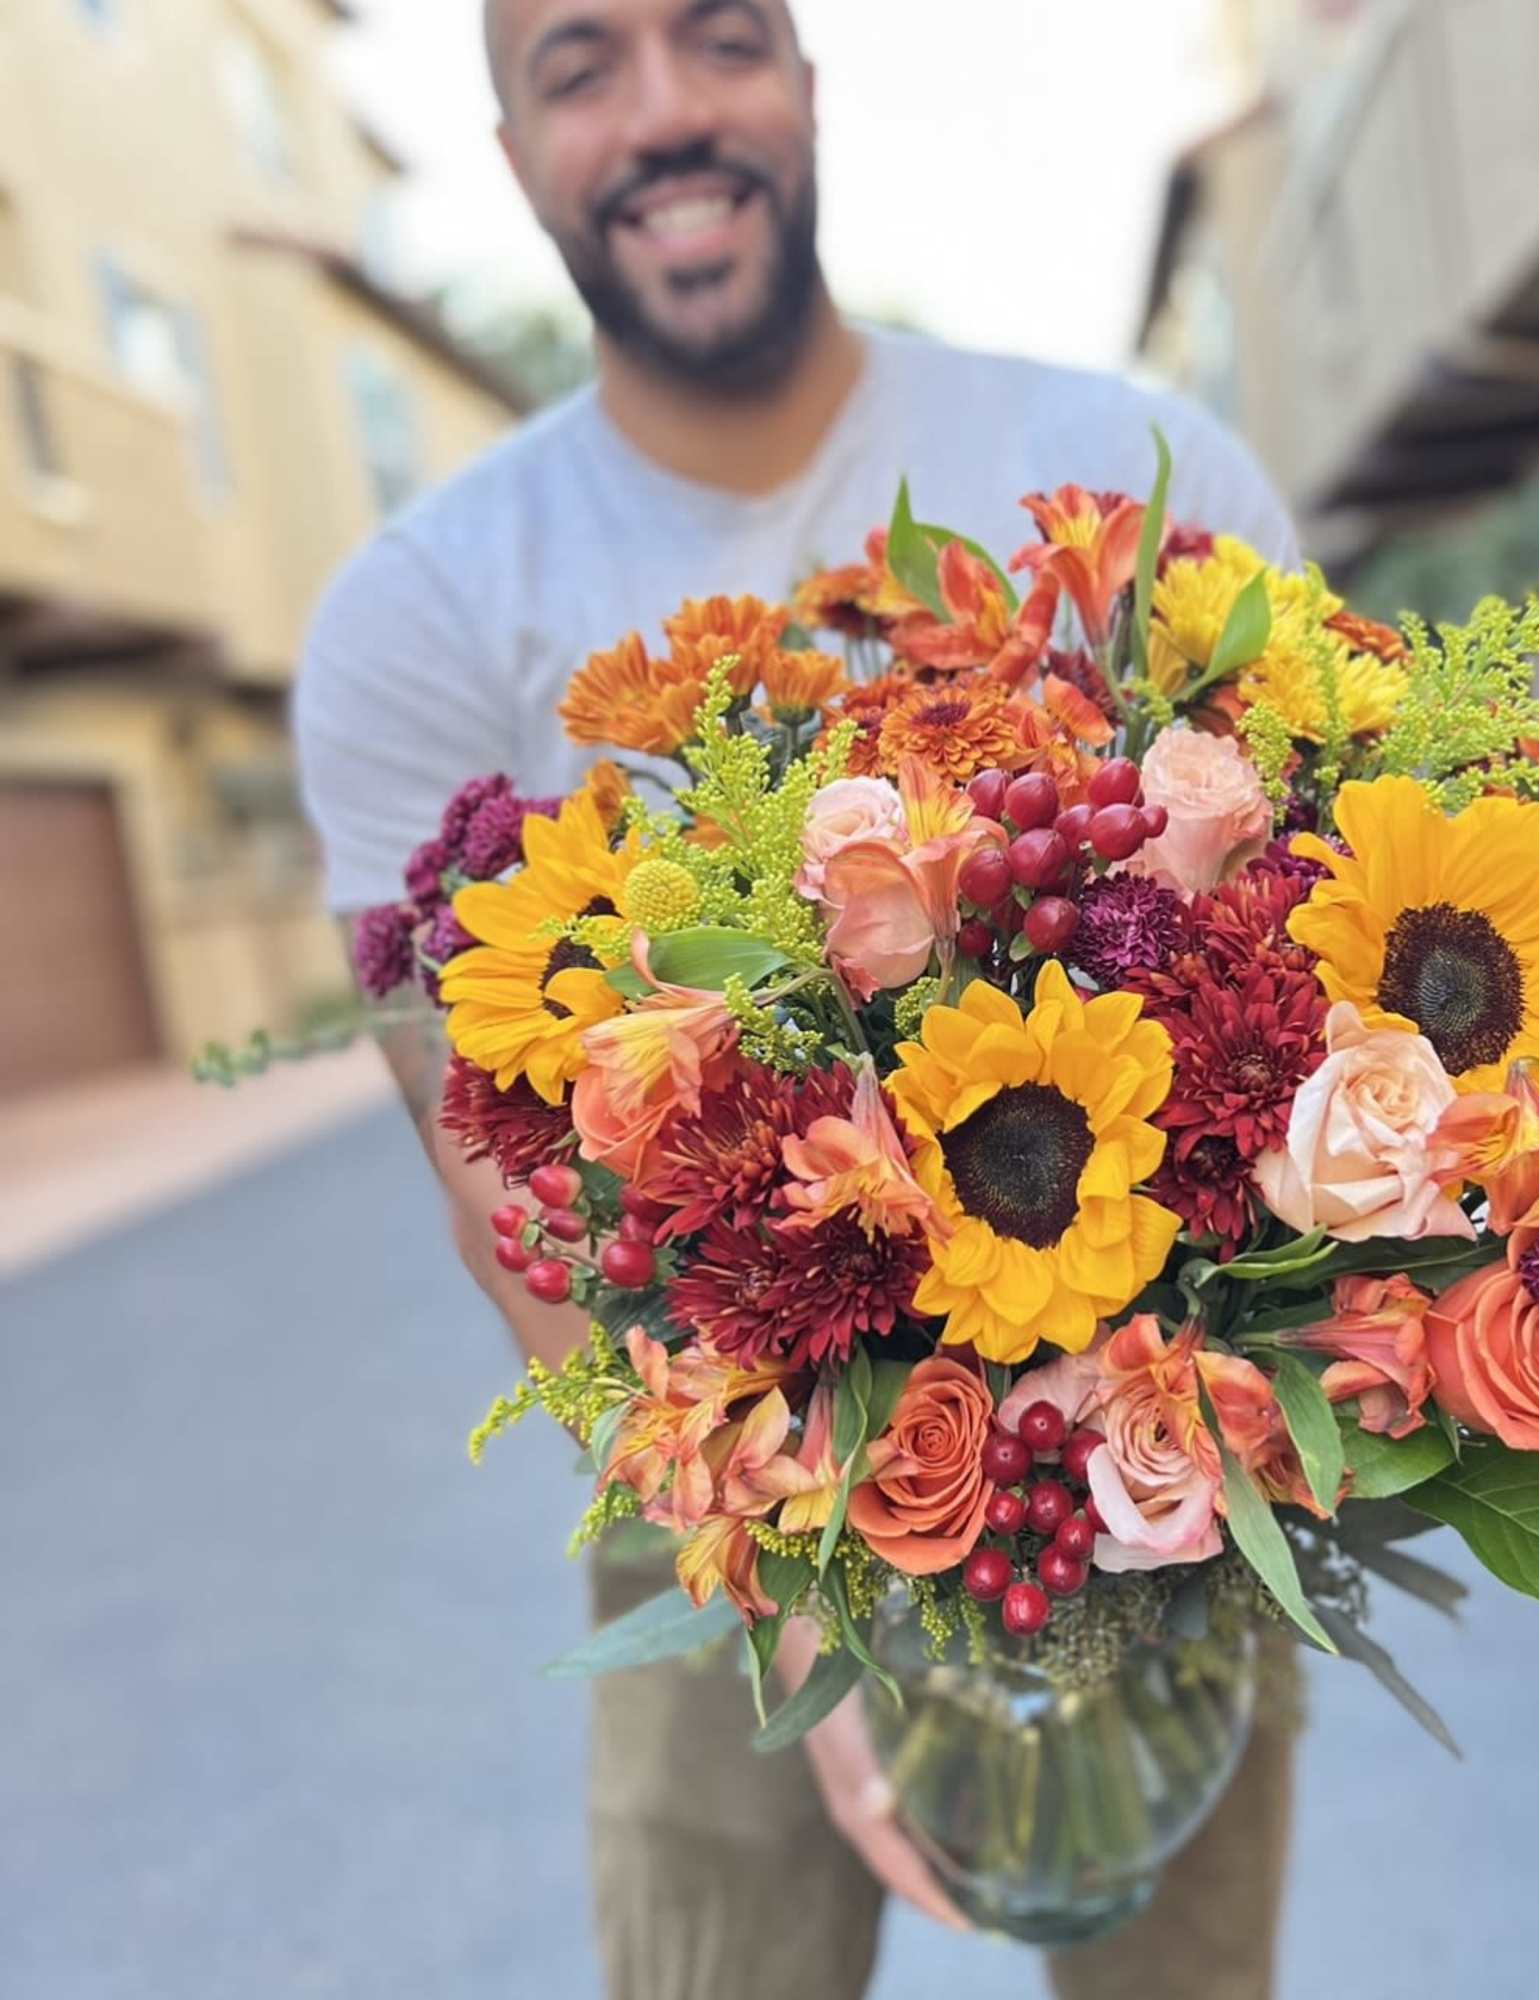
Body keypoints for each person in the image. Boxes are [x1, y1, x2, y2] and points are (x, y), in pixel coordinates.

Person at [296, 3, 1299, 1995]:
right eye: (581, 66)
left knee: (1178, 1947)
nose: (665, 111)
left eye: (719, 38)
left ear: (809, 88)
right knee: (710, 1946)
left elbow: (1316, 935)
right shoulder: (423, 610)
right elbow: (501, 1185)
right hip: (702, 1448)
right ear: (511, 153)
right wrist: (791, 1593)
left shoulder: (1116, 473)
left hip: (1165, 1442)